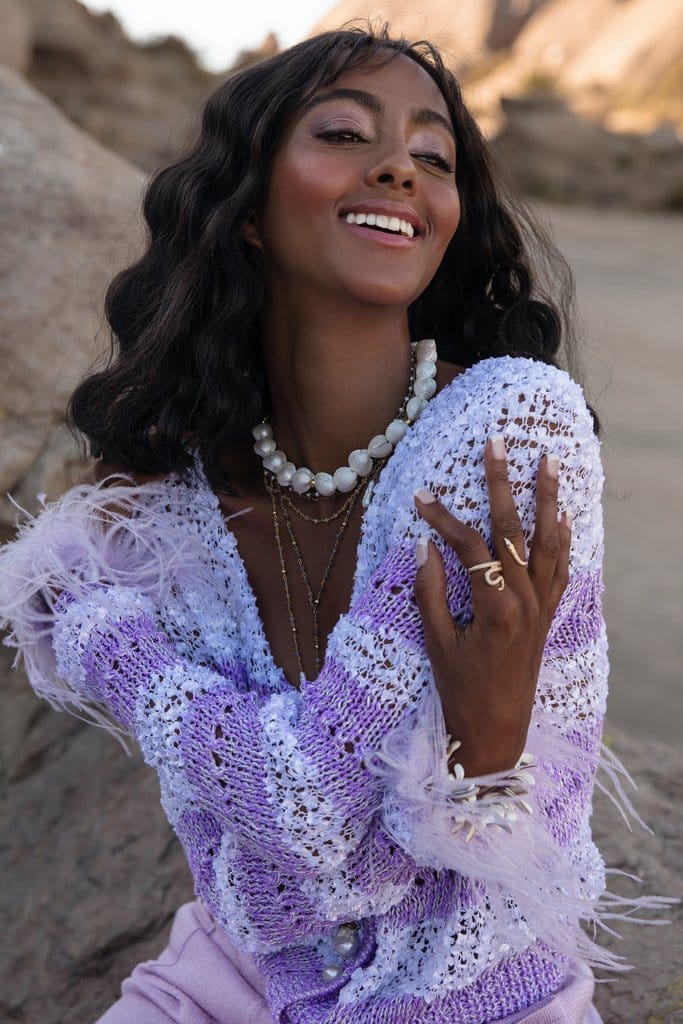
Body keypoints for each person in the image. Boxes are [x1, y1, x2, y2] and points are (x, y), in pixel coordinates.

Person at [0, 26, 669, 1024]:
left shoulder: (507, 431)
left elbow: (317, 824)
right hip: (227, 980)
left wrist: (104, 641)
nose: (398, 165)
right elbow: (265, 853)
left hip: (475, 998)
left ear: (450, 216)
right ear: (249, 210)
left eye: (432, 156)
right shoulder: (179, 490)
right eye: (345, 133)